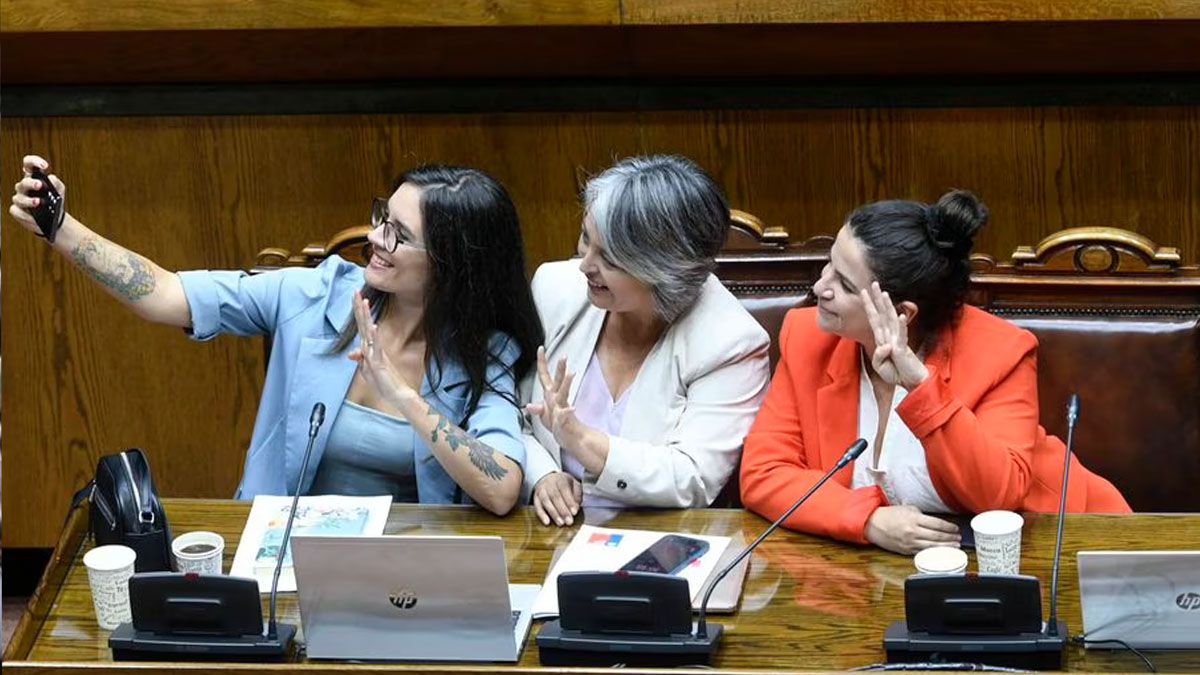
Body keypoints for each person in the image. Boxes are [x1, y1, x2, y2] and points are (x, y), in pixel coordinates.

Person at [10, 155, 543, 514]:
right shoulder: (315, 295)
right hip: (282, 554)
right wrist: (60, 229)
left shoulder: (486, 350)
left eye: (400, 236)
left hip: (404, 575)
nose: (375, 239)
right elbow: (166, 295)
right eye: (383, 216)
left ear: (451, 264)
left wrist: (402, 393)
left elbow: (500, 489)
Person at [740, 190, 1129, 554]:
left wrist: (919, 386)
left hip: (1064, 541)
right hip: (891, 573)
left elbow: (999, 496)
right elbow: (763, 473)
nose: (819, 287)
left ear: (902, 313)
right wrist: (867, 520)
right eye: (829, 265)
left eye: (843, 284)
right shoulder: (807, 338)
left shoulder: (1001, 352)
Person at [523, 155, 771, 526]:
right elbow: (514, 417)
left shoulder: (730, 342)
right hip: (547, 538)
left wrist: (583, 442)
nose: (584, 265)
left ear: (662, 270)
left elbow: (693, 476)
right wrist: (542, 474)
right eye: (585, 239)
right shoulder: (555, 290)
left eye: (610, 258)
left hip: (658, 540)